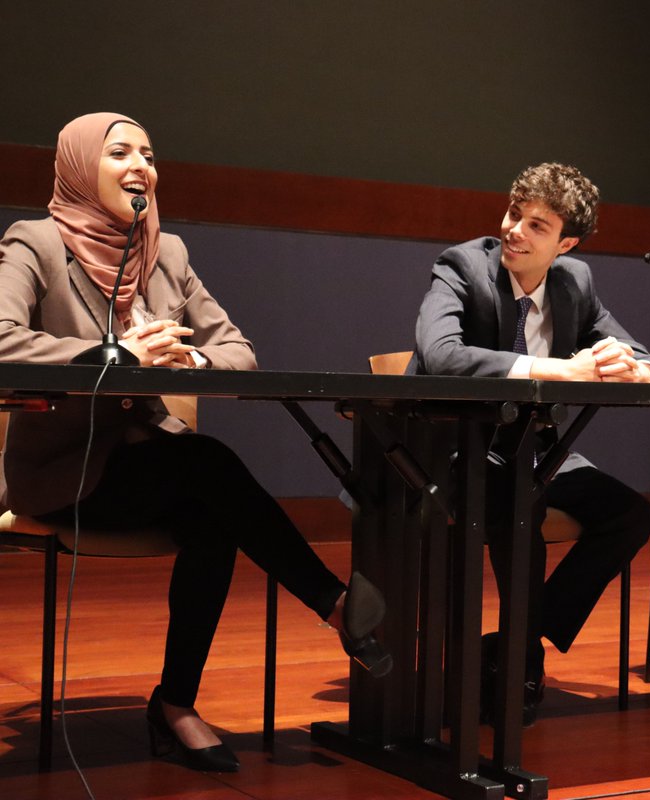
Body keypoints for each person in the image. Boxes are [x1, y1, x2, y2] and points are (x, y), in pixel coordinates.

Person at [0, 113, 391, 774]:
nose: (140, 166)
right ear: (77, 166)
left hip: (156, 468)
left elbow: (237, 351)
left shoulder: (166, 252)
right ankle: (334, 604)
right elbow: (3, 342)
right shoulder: (35, 243)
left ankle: (176, 704)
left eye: (149, 155)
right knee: (209, 468)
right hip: (66, 473)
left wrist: (197, 365)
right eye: (119, 152)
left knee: (213, 517)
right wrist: (115, 352)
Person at [413, 162, 650, 724]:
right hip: (459, 448)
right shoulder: (462, 266)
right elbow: (442, 358)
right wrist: (555, 370)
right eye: (513, 214)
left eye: (537, 225)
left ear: (565, 242)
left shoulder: (575, 281)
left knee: (630, 515)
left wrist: (637, 369)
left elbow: (643, 354)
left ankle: (511, 645)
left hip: (537, 450)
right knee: (520, 499)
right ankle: (518, 664)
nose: (515, 231)